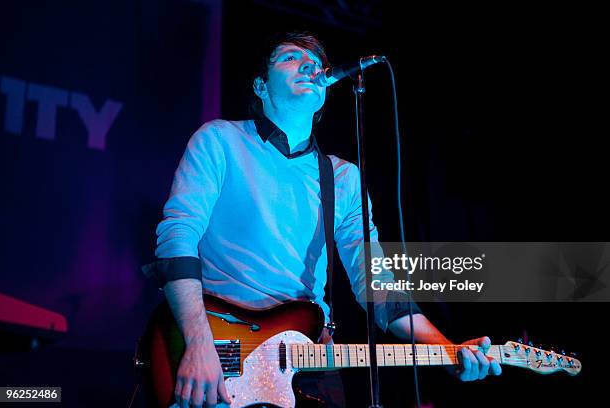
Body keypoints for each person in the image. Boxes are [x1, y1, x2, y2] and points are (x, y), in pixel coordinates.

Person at [145, 31, 501, 408]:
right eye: (290, 57)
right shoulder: (220, 140)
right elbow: (177, 237)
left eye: (316, 60)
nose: (310, 64)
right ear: (261, 86)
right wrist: (198, 343)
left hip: (310, 364)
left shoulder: (343, 178)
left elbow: (376, 283)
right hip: (218, 355)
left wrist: (446, 348)